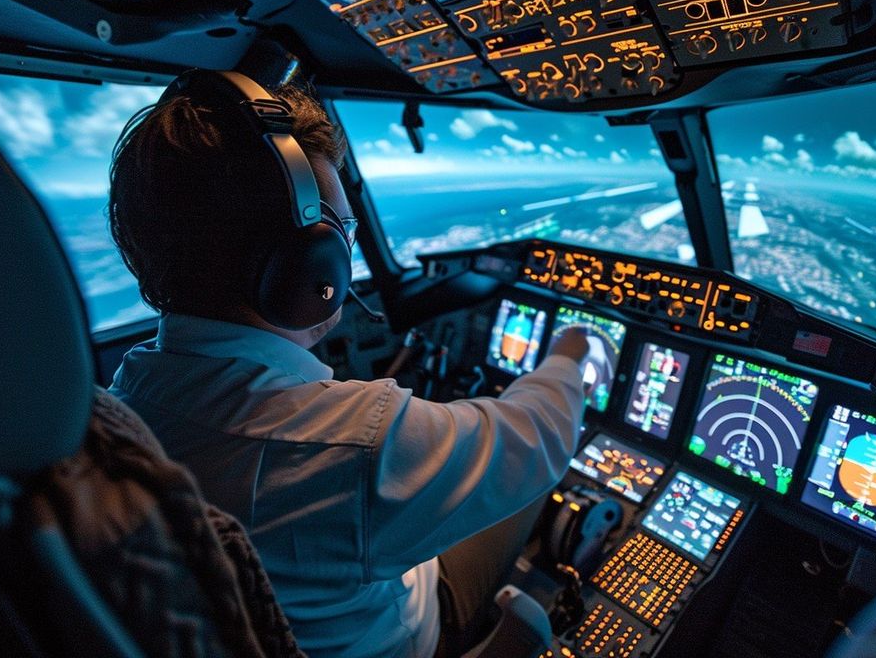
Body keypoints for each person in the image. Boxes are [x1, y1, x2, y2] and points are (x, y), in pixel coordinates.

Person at [106, 76, 590, 658]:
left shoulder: (123, 400)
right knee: (532, 479)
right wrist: (569, 356)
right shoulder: (352, 443)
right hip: (406, 636)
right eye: (341, 234)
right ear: (311, 263)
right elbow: (541, 434)